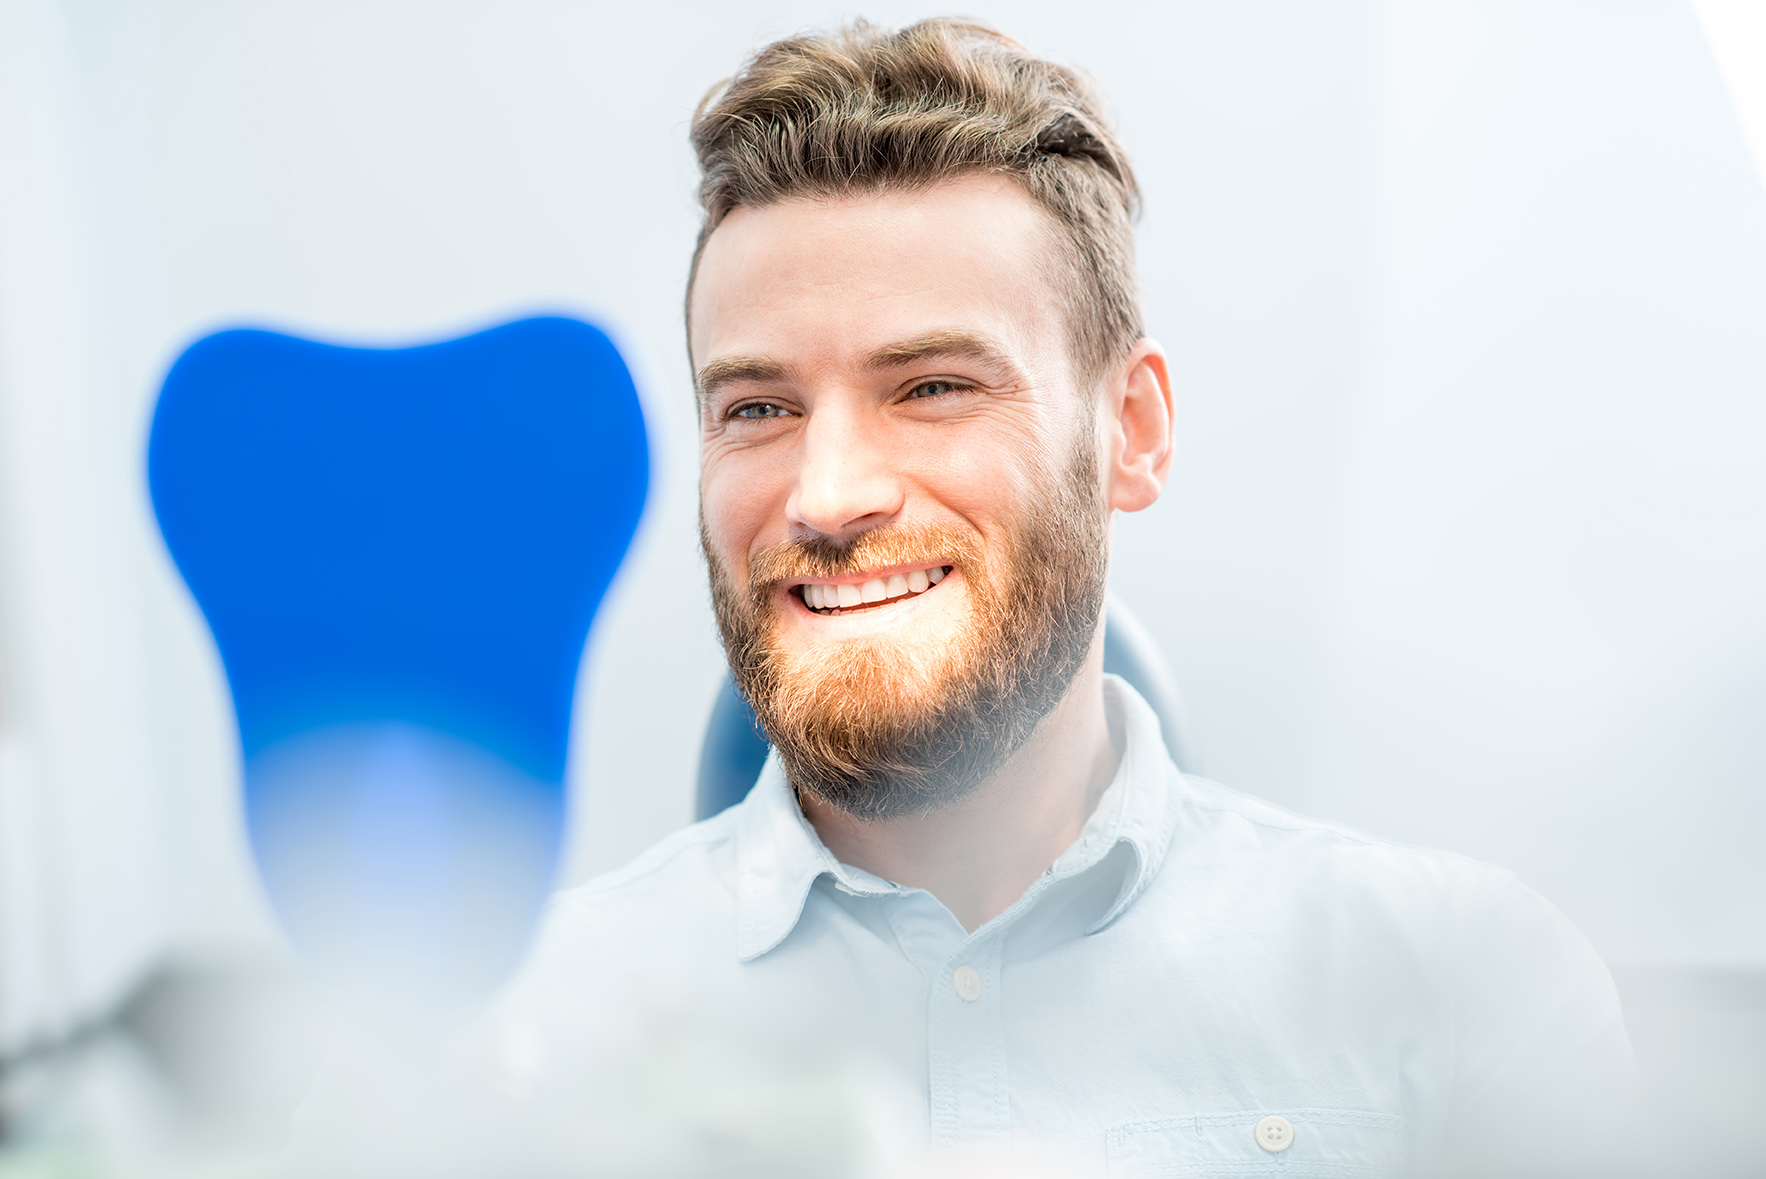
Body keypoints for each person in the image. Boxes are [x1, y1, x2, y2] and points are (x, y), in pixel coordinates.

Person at [298, 18, 1636, 1178]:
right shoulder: (502, 1045)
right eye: (756, 406)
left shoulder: (1459, 994)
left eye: (931, 386)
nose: (823, 494)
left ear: (1133, 432)